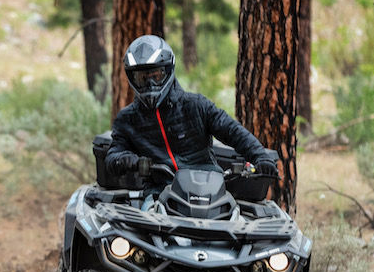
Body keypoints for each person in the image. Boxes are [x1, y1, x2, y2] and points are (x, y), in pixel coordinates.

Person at [105, 34, 279, 181]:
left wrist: (260, 157)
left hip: (209, 187)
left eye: (156, 76)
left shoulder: (196, 105)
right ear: (132, 78)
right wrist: (125, 160)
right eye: (143, 78)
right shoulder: (127, 119)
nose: (150, 84)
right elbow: (112, 156)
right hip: (158, 194)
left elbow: (232, 131)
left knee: (236, 215)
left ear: (168, 71)